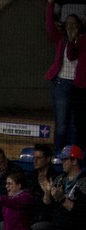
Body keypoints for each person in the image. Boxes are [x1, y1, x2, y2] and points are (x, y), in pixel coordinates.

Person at [45, 9, 85, 152]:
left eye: (73, 23)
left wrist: (74, 39)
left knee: (76, 124)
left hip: (78, 86)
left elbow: (74, 56)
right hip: (61, 83)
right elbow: (49, 26)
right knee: (61, 124)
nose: (70, 25)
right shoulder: (61, 38)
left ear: (79, 25)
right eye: (67, 23)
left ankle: (74, 156)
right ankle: (58, 154)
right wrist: (50, 4)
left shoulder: (82, 40)